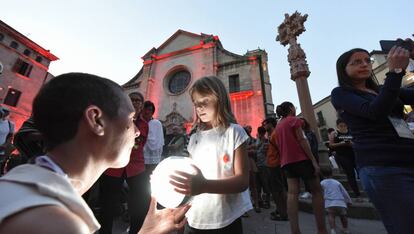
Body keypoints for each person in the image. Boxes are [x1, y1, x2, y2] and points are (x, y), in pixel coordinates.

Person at [0, 73, 190, 234]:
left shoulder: (30, 190)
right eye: (131, 118)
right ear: (96, 120)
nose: (138, 131)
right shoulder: (53, 221)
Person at [331, 44, 414, 234]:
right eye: (357, 62)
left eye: (367, 60)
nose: (365, 64)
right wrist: (395, 71)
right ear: (344, 69)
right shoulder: (341, 94)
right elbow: (374, 111)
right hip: (384, 167)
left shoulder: (382, 89)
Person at [170, 76, 252, 234]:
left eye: (204, 101)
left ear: (219, 99)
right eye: (196, 104)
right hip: (194, 218)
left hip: (226, 218)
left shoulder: (234, 132)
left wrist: (205, 185)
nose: (199, 108)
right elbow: (190, 176)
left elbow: (242, 181)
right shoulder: (194, 137)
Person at [99, 91, 151, 234]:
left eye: (138, 101)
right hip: (113, 166)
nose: (135, 102)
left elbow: (142, 143)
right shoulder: (115, 120)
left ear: (141, 106)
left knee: (141, 201)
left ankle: (135, 231)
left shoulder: (145, 125)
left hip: (136, 166)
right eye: (132, 100)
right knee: (108, 204)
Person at [275, 101, 327, 234]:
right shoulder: (294, 120)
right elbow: (302, 140)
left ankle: (295, 230)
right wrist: (313, 160)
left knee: (292, 194)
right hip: (301, 159)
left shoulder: (279, 126)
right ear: (291, 109)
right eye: (294, 107)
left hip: (286, 162)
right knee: (317, 191)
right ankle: (321, 230)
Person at [261, 117, 288, 221]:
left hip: (275, 165)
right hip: (273, 165)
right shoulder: (272, 135)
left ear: (271, 124)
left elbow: (281, 148)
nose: (263, 125)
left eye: (265, 123)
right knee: (276, 189)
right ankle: (280, 210)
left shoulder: (275, 134)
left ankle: (283, 213)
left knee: (278, 190)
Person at [328, 119, 361, 200]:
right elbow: (331, 145)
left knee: (361, 172)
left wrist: (351, 144)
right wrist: (341, 143)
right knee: (350, 174)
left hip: (354, 154)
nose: (343, 127)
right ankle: (357, 194)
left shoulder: (350, 131)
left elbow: (357, 142)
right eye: (341, 126)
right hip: (342, 156)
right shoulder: (334, 133)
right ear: (337, 126)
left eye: (344, 125)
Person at [320, 168, 352, 234]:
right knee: (343, 216)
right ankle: (345, 229)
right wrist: (349, 201)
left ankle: (333, 230)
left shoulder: (322, 183)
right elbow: (344, 192)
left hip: (329, 202)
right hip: (340, 201)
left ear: (323, 175)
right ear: (332, 174)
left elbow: (320, 192)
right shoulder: (337, 182)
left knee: (331, 215)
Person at [142, 100, 164, 174]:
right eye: (145, 109)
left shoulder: (157, 123)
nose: (147, 112)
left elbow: (159, 140)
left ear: (152, 112)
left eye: (149, 110)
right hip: (140, 159)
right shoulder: (139, 123)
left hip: (153, 158)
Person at [244, 125, 260, 213]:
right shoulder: (242, 139)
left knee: (254, 185)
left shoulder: (252, 139)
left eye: (250, 128)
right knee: (245, 186)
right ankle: (246, 208)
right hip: (244, 162)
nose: (249, 129)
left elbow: (255, 150)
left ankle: (256, 204)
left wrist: (248, 150)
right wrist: (249, 149)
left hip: (250, 162)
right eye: (247, 128)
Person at [254, 126, 271, 209]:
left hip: (264, 165)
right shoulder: (257, 140)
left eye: (261, 133)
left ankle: (267, 201)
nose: (260, 134)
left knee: (265, 184)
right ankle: (260, 201)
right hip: (258, 164)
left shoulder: (266, 141)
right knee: (258, 185)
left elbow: (265, 152)